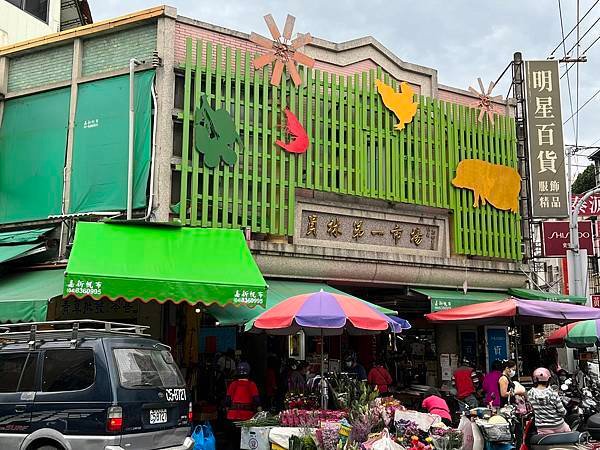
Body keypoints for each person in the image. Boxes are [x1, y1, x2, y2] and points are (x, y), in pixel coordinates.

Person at [527, 367, 571, 435]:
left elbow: (530, 409)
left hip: (542, 428)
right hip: (559, 426)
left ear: (534, 379)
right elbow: (562, 412)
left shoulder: (530, 394)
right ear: (549, 379)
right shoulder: (553, 393)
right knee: (571, 437)